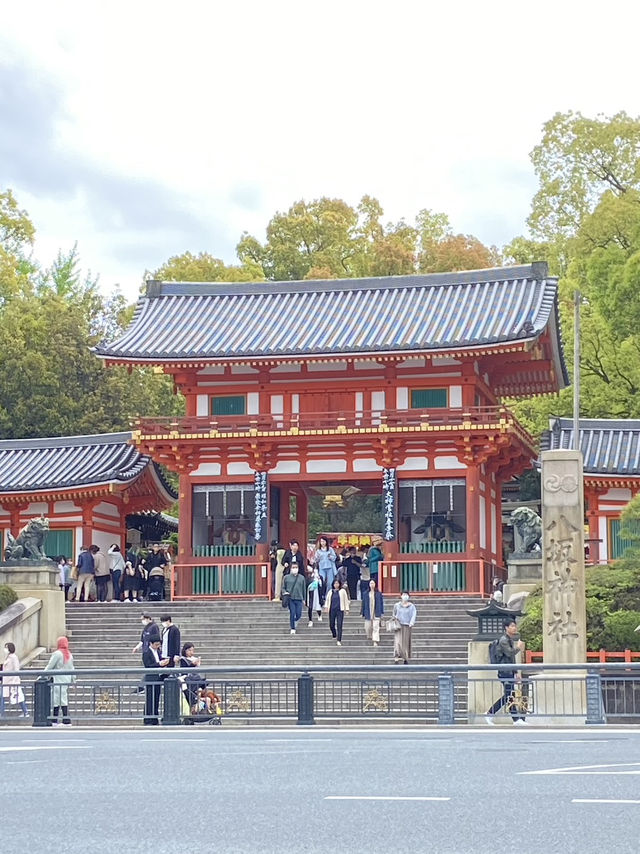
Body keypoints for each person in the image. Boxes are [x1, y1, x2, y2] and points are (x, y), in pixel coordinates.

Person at [485, 619, 527, 726]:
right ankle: (490, 713)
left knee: (509, 695)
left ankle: (516, 719)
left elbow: (511, 659)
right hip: (504, 672)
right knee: (508, 696)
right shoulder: (504, 640)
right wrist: (518, 648)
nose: (514, 628)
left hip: (508, 671)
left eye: (515, 626)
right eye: (512, 626)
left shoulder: (508, 639)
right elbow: (509, 653)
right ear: (506, 628)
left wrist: (516, 672)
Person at [45, 637, 75, 726]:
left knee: (56, 700)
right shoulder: (69, 654)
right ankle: (65, 719)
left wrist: (41, 675)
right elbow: (72, 669)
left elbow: (50, 666)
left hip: (57, 679)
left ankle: (56, 719)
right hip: (66, 680)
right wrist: (73, 680)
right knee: (62, 699)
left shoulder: (57, 654)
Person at [142, 638, 170, 725]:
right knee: (150, 699)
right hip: (151, 678)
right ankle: (148, 718)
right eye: (156, 645)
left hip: (158, 677)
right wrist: (159, 664)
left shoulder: (158, 652)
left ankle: (155, 718)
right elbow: (148, 666)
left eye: (158, 645)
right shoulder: (146, 653)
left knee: (156, 699)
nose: (157, 646)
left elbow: (159, 660)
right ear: (151, 643)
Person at [1, 642, 28, 718]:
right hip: (6, 681)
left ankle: (25, 711)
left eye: (6, 647)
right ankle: (2, 714)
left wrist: (15, 680)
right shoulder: (8, 657)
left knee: (19, 697)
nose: (5, 649)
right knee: (3, 696)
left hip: (12, 681)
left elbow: (16, 669)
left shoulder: (13, 657)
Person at [392, 591, 417, 664]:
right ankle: (396, 658)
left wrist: (411, 622)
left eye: (406, 595)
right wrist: (395, 618)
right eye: (403, 595)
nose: (405, 596)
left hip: (407, 625)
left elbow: (413, 615)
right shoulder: (397, 605)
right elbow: (394, 613)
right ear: (401, 596)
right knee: (398, 642)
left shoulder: (411, 606)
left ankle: (405, 658)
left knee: (405, 643)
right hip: (398, 626)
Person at [282, 563, 306, 635]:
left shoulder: (302, 578)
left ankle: (295, 621)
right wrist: (285, 592)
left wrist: (304, 599)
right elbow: (283, 587)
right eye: (293, 567)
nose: (295, 569)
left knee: (298, 613)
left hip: (299, 598)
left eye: (296, 567)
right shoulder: (286, 577)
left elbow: (303, 589)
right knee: (292, 612)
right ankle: (292, 627)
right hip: (290, 598)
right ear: (290, 568)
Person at [324, 578, 350, 646]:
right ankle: (334, 634)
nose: (336, 585)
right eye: (335, 583)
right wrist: (326, 607)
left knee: (339, 625)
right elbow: (327, 600)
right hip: (332, 610)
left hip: (340, 610)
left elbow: (345, 600)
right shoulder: (330, 591)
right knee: (331, 624)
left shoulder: (342, 591)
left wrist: (346, 609)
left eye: (337, 583)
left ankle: (339, 639)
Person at [362, 578, 384, 647]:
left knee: (375, 627)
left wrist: (382, 612)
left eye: (373, 583)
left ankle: (375, 641)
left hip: (376, 612)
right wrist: (362, 612)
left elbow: (381, 603)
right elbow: (363, 603)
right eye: (371, 583)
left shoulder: (378, 593)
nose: (372, 585)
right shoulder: (365, 593)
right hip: (368, 612)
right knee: (367, 627)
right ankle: (369, 636)